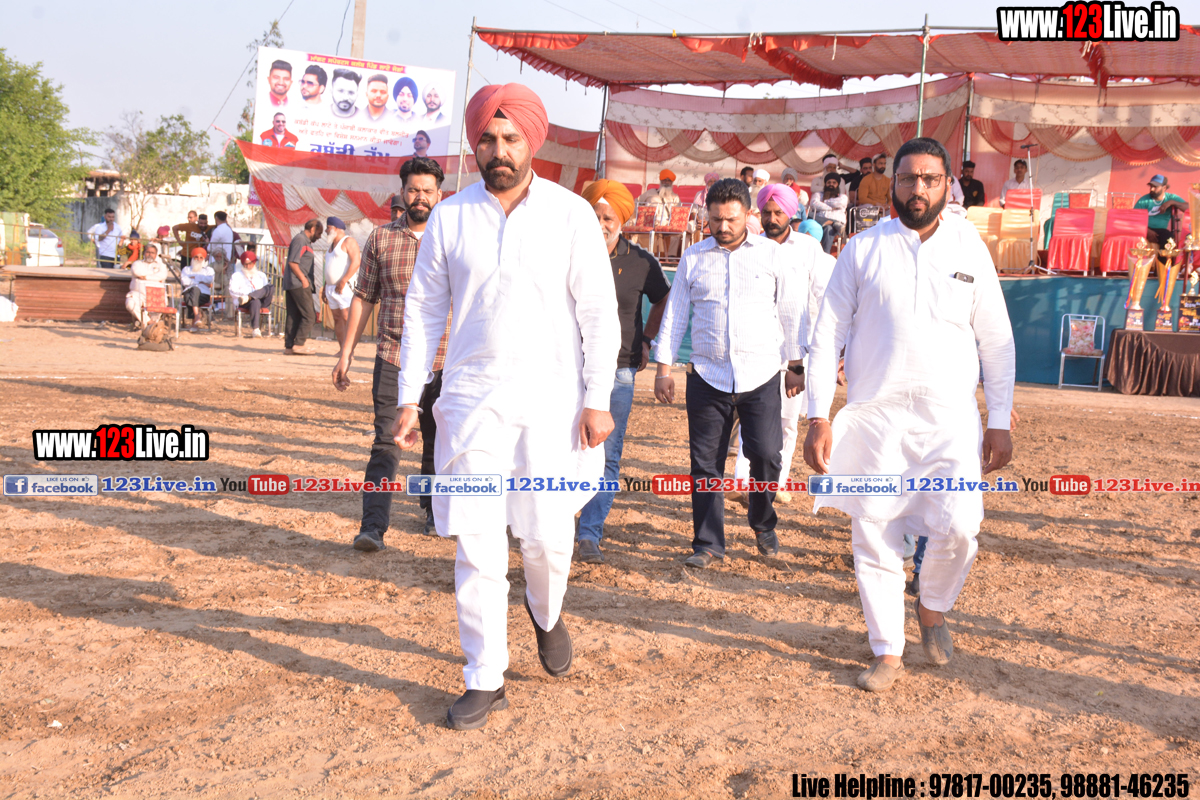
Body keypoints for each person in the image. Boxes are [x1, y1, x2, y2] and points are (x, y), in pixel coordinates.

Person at [392, 83, 619, 730]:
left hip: (553, 400)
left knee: (546, 535)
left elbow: (598, 313)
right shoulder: (450, 217)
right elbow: (424, 310)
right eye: (488, 140)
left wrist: (598, 398)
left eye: (511, 138)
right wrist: (409, 396)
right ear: (475, 144)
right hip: (471, 400)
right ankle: (484, 676)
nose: (499, 150)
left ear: (531, 141)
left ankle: (546, 613)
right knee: (477, 540)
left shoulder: (571, 214)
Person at [803, 137, 1016, 693]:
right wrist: (818, 415)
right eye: (907, 178)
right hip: (876, 419)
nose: (917, 188)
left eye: (929, 179)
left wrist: (999, 418)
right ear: (892, 184)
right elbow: (825, 337)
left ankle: (932, 607)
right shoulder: (862, 250)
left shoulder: (969, 248)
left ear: (947, 186)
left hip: (950, 421)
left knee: (961, 527)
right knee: (874, 533)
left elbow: (996, 339)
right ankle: (887, 650)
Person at [652, 177, 806, 570]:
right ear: (707, 214)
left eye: (731, 219)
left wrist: (795, 366)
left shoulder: (772, 255)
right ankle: (708, 544)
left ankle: (762, 519)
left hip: (761, 375)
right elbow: (676, 314)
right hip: (707, 376)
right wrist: (663, 368)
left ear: (748, 215)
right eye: (716, 219)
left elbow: (791, 313)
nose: (722, 227)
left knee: (767, 455)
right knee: (705, 465)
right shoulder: (694, 257)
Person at [333, 156, 451, 546]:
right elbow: (364, 298)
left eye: (428, 191)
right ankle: (372, 526)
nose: (420, 197)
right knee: (386, 441)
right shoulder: (381, 239)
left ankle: (434, 513)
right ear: (402, 192)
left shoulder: (453, 238)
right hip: (393, 357)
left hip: (446, 359)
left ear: (439, 194)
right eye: (413, 190)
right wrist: (346, 353)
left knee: (438, 441)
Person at [575, 180, 672, 564]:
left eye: (608, 217)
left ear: (622, 221)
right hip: (568, 367)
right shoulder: (567, 254)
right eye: (594, 216)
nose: (600, 224)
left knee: (606, 454)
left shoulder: (641, 262)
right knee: (558, 448)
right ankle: (556, 524)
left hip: (619, 372)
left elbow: (663, 299)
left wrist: (647, 339)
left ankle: (589, 534)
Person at [728, 183, 825, 508]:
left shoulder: (808, 248)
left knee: (787, 422)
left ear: (791, 213)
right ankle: (742, 481)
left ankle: (776, 485)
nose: (772, 218)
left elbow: (825, 293)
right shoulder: (749, 246)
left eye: (778, 213)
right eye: (767, 212)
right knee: (752, 416)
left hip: (796, 348)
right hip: (757, 346)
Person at [283, 219, 323, 355]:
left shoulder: (304, 242)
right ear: (312, 229)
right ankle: (299, 344)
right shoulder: (300, 240)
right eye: (319, 233)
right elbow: (292, 262)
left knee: (293, 315)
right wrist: (303, 279)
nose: (320, 236)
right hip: (298, 283)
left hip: (294, 283)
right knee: (310, 316)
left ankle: (289, 347)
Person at [322, 216, 361, 349]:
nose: (326, 231)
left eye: (328, 228)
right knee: (337, 318)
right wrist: (325, 286)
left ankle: (350, 351)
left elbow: (356, 262)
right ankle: (342, 349)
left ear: (336, 228)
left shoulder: (348, 241)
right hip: (331, 288)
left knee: (346, 317)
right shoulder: (331, 246)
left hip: (345, 287)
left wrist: (343, 281)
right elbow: (329, 268)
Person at [228, 251, 274, 337]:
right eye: (246, 264)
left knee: (270, 287)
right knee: (255, 301)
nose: (248, 266)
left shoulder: (261, 275)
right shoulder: (236, 275)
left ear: (254, 263)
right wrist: (246, 294)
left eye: (250, 264)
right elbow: (232, 290)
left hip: (262, 301)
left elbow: (266, 291)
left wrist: (251, 295)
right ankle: (256, 329)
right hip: (244, 302)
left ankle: (250, 297)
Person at [1134, 174, 1189, 245]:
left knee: (1168, 238)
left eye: (1155, 187)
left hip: (1161, 231)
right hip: (1144, 229)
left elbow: (1189, 208)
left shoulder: (1171, 198)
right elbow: (1134, 218)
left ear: (1164, 188)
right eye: (1151, 186)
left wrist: (1172, 202)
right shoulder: (1143, 200)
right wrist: (1146, 230)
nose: (1152, 189)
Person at [125, 243, 169, 328]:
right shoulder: (137, 264)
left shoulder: (161, 266)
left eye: (152, 253)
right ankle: (149, 323)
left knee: (162, 303)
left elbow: (162, 276)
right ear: (144, 253)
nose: (150, 254)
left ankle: (150, 327)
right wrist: (155, 277)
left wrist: (145, 277)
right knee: (130, 303)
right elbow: (137, 272)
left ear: (156, 254)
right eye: (148, 252)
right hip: (138, 294)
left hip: (156, 294)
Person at [809, 173, 848, 254]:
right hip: (819, 224)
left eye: (834, 183)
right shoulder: (818, 194)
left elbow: (840, 203)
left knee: (828, 228)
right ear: (825, 184)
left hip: (837, 227)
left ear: (837, 185)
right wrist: (830, 208)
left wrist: (825, 202)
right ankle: (833, 223)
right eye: (829, 182)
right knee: (808, 215)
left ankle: (825, 254)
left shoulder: (842, 196)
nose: (831, 184)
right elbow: (814, 203)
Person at [181, 246, 215, 331]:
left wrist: (194, 278)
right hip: (188, 292)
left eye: (201, 257)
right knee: (194, 290)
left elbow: (210, 279)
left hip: (203, 294)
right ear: (193, 258)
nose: (198, 259)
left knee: (193, 293)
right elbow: (184, 282)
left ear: (204, 259)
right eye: (196, 257)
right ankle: (197, 317)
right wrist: (201, 281)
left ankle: (195, 320)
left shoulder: (208, 270)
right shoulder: (186, 269)